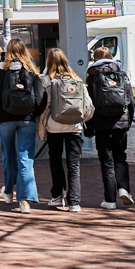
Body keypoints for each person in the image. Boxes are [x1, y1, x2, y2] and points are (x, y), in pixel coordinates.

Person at [0, 38, 45, 213]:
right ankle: (24, 201)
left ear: (7, 51)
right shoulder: (31, 70)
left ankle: (9, 192)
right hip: (27, 120)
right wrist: (33, 114)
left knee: (8, 156)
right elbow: (40, 98)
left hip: (5, 120)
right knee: (26, 158)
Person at [37, 48, 93, 211]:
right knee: (73, 165)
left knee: (55, 161)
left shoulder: (46, 81)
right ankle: (74, 202)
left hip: (54, 126)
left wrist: (42, 126)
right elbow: (88, 105)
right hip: (74, 127)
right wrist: (82, 119)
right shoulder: (77, 80)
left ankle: (57, 196)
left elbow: (42, 105)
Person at [85, 45, 135, 209]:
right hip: (120, 122)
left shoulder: (92, 75)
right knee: (120, 157)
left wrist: (88, 127)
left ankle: (110, 200)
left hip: (101, 123)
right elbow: (131, 100)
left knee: (106, 161)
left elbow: (89, 103)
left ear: (95, 58)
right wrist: (128, 121)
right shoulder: (121, 74)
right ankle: (124, 189)